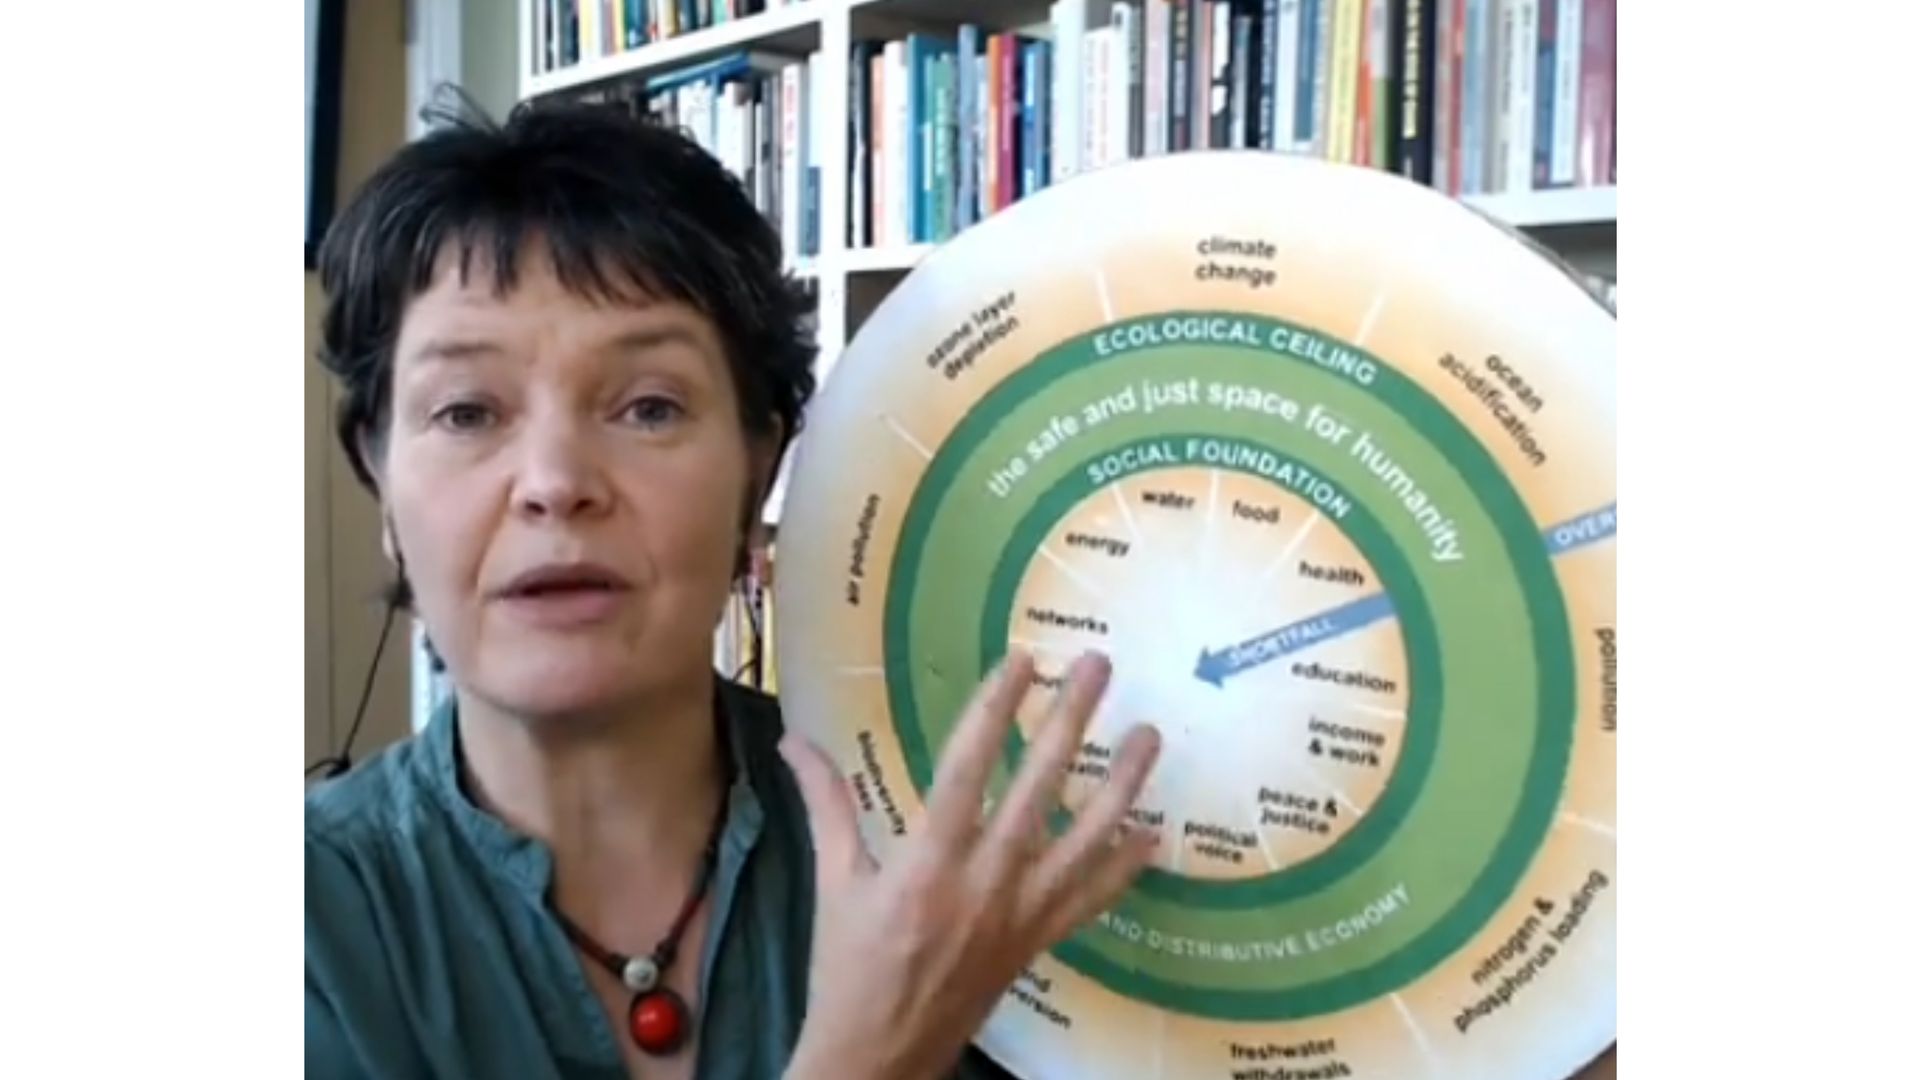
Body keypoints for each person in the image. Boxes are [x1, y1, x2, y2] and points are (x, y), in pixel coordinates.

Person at [304, 97, 1163, 1080]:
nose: (554, 482)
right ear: (379, 481)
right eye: (466, 412)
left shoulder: (944, 843)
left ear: (760, 471)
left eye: (649, 406)